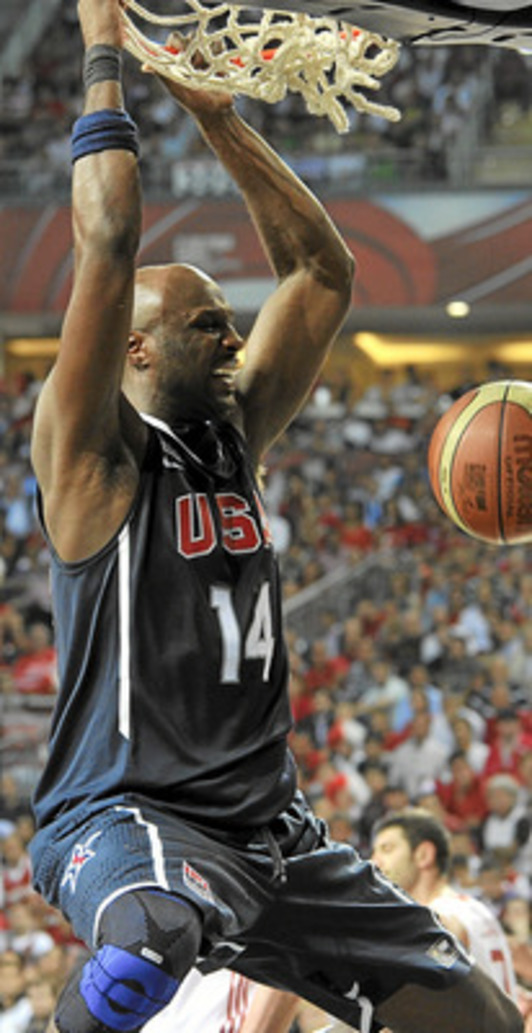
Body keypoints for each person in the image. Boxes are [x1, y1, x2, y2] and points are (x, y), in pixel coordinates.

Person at [29, 3, 523, 1033]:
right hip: (134, 812)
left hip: (273, 830)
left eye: (230, 323)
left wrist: (218, 118)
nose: (233, 340)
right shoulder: (93, 458)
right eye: (207, 325)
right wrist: (105, 52)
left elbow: (323, 274)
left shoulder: (234, 434)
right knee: (146, 946)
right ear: (134, 349)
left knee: (474, 1015)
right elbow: (108, 240)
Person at [371, 807, 519, 1000]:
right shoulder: (474, 907)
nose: (374, 862)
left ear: (423, 854)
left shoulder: (438, 918)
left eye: (387, 849)